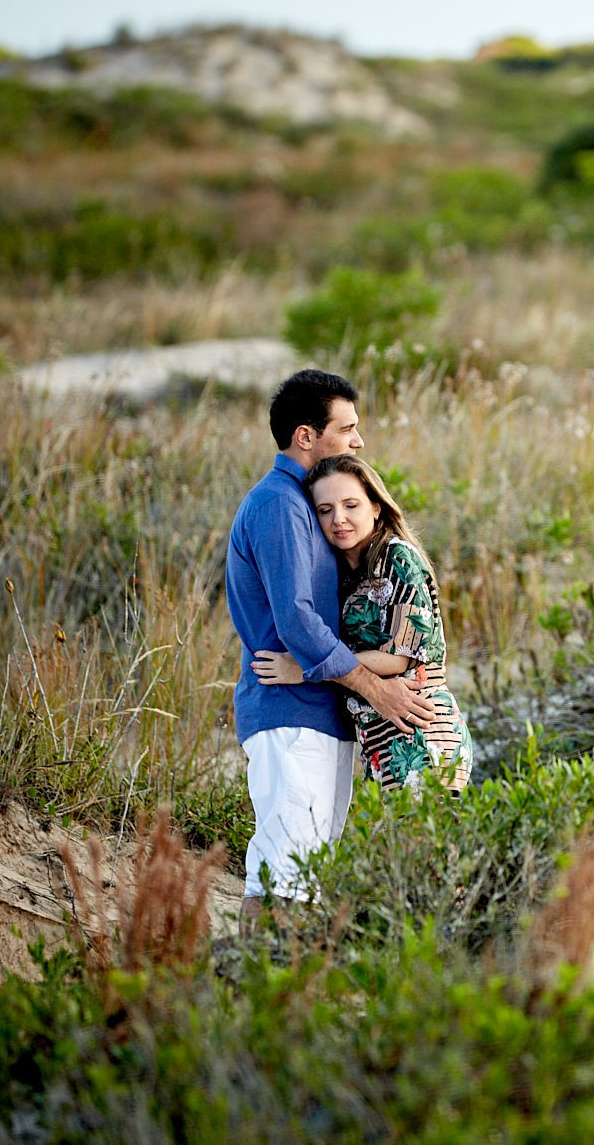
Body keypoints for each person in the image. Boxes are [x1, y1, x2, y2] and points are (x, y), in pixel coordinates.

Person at [225, 369, 439, 930]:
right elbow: (295, 618)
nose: (357, 440)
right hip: (289, 715)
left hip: (319, 714)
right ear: (305, 436)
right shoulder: (279, 505)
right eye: (346, 428)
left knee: (307, 876)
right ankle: (257, 991)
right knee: (284, 877)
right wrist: (376, 689)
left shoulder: (308, 505)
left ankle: (287, 996)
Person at [252, 455, 474, 792]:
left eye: (351, 505)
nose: (338, 519)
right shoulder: (341, 576)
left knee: (426, 843)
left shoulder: (398, 559)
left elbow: (399, 657)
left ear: (375, 506)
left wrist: (305, 668)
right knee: (394, 845)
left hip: (420, 728)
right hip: (377, 737)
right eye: (325, 510)